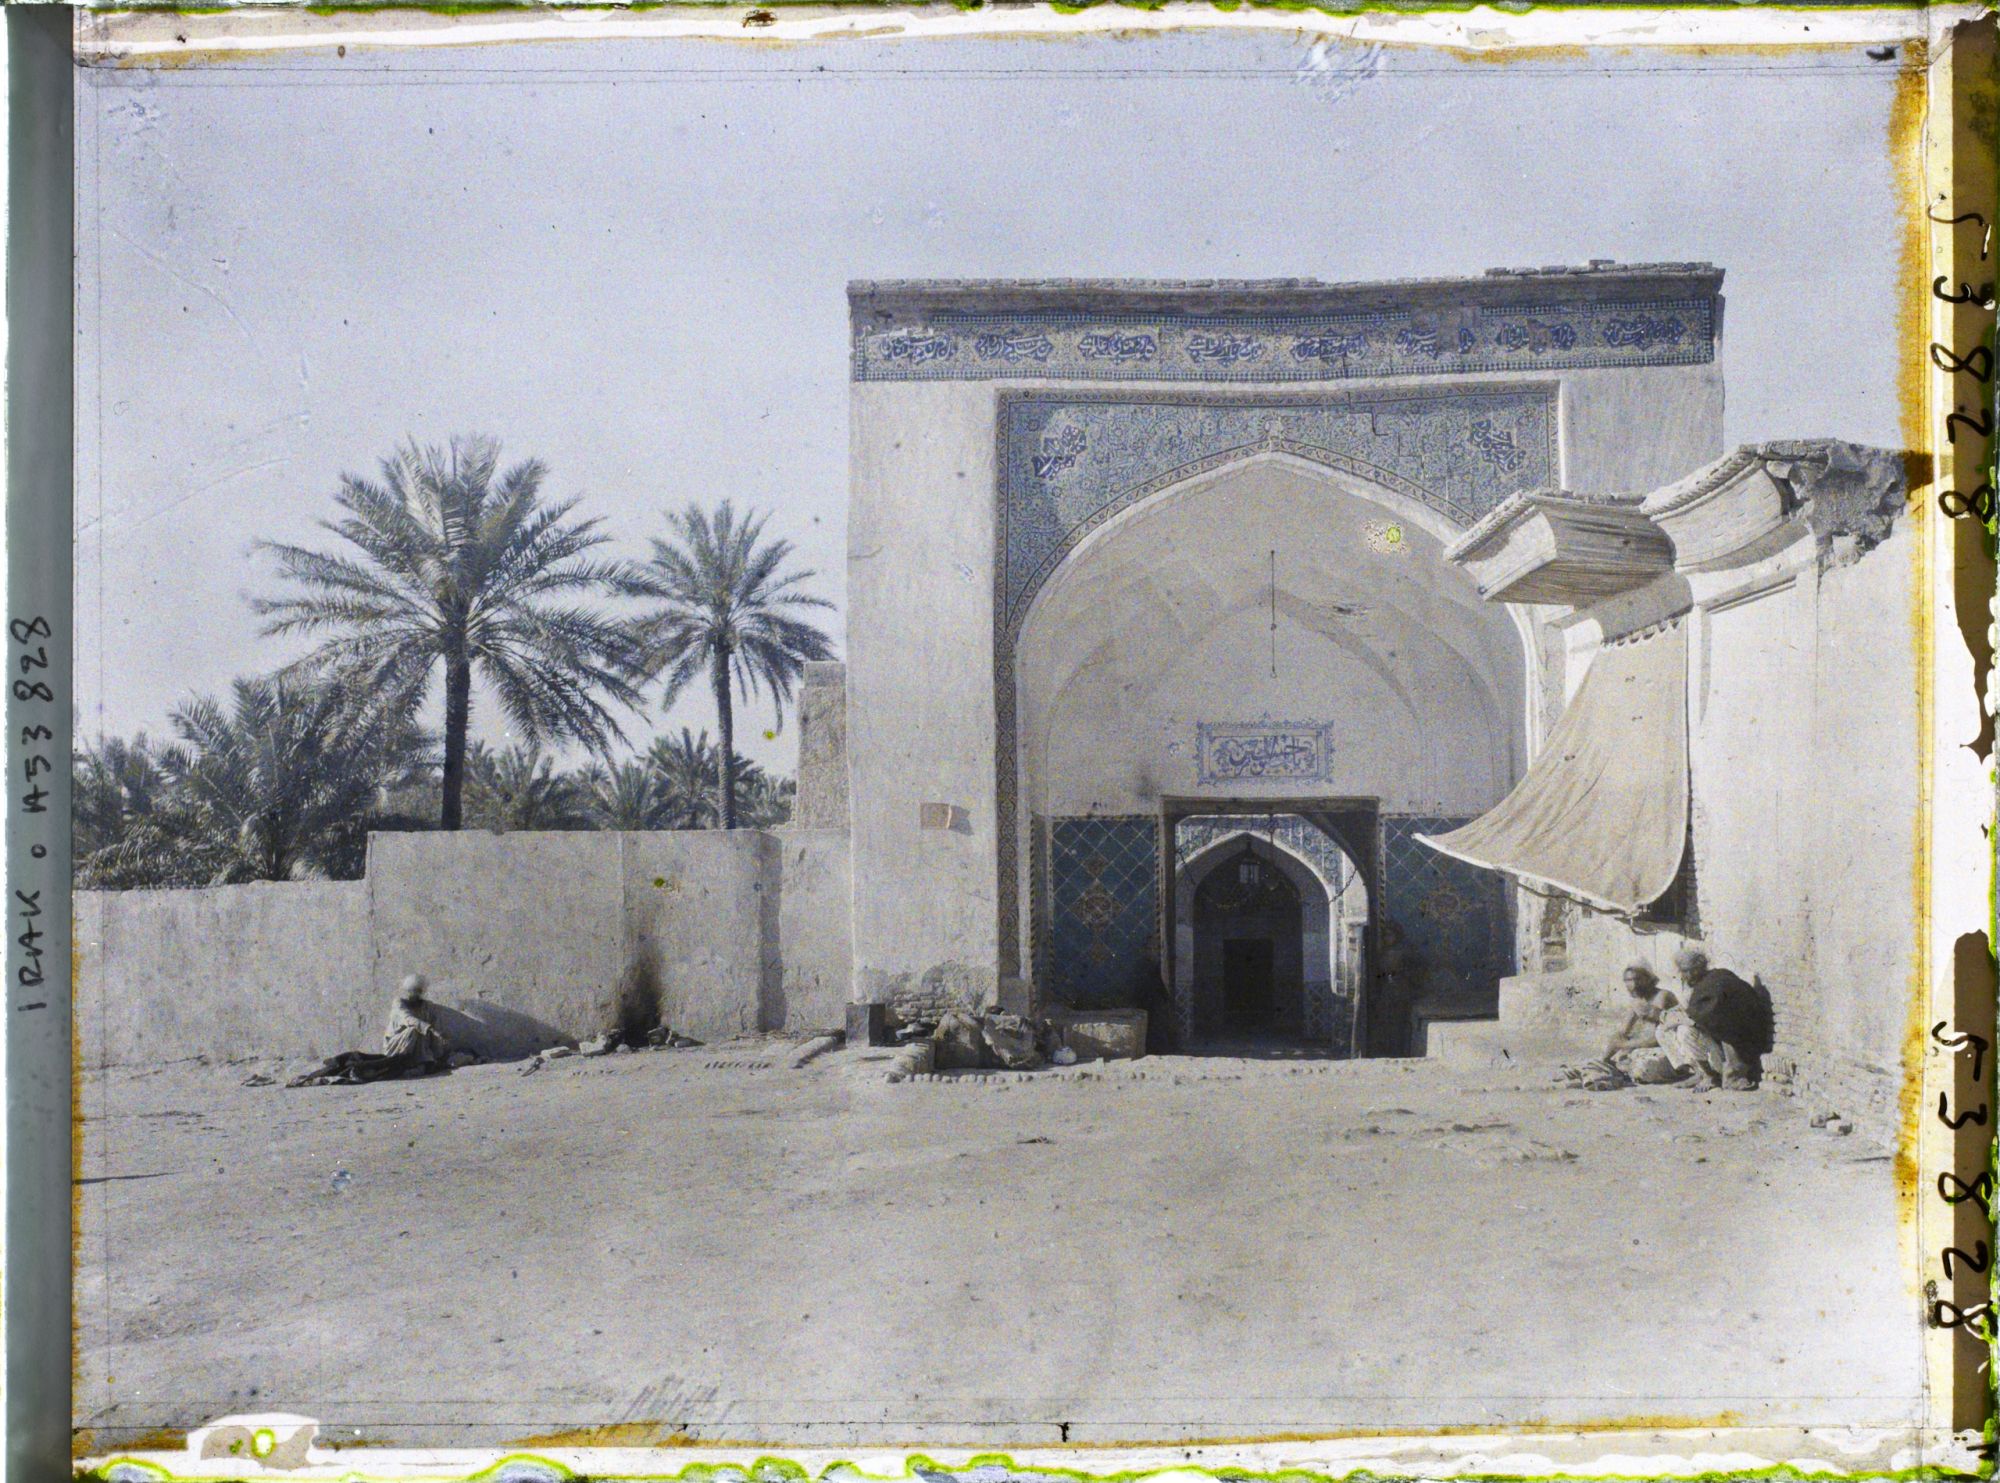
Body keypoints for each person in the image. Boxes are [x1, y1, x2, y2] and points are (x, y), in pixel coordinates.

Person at [287, 974, 450, 1087]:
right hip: (396, 1047)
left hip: (414, 1050)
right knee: (413, 1030)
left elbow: (433, 1023)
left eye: (419, 992)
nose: (416, 995)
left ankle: (419, 1060)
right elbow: (409, 1020)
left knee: (421, 1033)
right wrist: (430, 1029)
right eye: (414, 991)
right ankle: (406, 1060)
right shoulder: (399, 1003)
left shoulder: (425, 1007)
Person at [1657, 947, 1772, 1091]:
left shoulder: (1712, 985)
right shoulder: (1712, 979)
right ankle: (1700, 1073)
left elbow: (1708, 1020)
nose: (1682, 977)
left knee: (1685, 1031)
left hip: (1738, 1051)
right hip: (1726, 1043)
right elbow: (1698, 1013)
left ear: (1694, 971)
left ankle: (1710, 1077)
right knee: (1662, 1030)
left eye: (1684, 972)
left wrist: (1679, 1020)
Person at [1601, 962, 1685, 1083]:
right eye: (1628, 980)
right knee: (1613, 1055)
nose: (1633, 984)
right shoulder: (1637, 1001)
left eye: (1637, 979)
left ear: (1648, 979)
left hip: (1667, 1049)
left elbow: (1659, 1037)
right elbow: (1623, 1032)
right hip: (1644, 1048)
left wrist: (1624, 1045)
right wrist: (1605, 1059)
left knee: (1642, 1068)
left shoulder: (1662, 996)